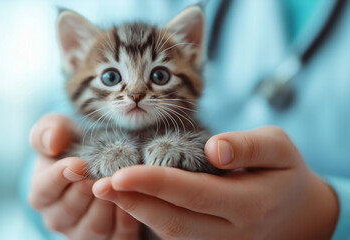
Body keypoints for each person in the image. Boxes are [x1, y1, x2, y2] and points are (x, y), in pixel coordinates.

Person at [23, 0, 350, 239]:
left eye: (159, 74)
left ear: (192, 57)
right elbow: (38, 168)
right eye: (111, 77)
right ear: (74, 58)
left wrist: (331, 215)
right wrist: (54, 209)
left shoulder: (189, 130)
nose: (136, 92)